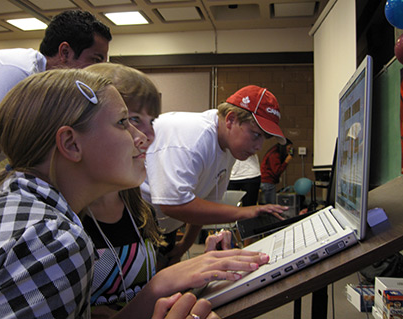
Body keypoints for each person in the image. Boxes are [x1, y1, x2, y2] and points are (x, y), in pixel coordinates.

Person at [0, 68, 257, 319]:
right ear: (71, 144)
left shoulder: (12, 198)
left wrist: (161, 287)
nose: (142, 136)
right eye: (124, 122)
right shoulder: (53, 239)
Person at [83, 63, 269, 318]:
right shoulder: (63, 230)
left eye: (149, 122)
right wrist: (161, 284)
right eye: (126, 121)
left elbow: (136, 295)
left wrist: (193, 269)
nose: (146, 136)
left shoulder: (138, 209)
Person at [141, 85, 289, 267]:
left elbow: (204, 206)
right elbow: (172, 204)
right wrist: (245, 212)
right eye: (256, 135)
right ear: (231, 120)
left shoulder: (228, 148)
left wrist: (184, 244)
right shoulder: (195, 138)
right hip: (136, 223)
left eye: (264, 138)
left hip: (163, 228)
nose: (259, 146)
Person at [0, 9, 111, 177]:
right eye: (96, 60)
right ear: (65, 52)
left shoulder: (51, 88)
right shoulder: (18, 73)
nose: (99, 71)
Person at [260, 138, 294, 204]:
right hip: (268, 182)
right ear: (284, 147)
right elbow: (277, 171)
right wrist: (286, 162)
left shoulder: (273, 152)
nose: (289, 151)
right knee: (270, 205)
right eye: (288, 148)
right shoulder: (274, 155)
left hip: (266, 181)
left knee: (267, 205)